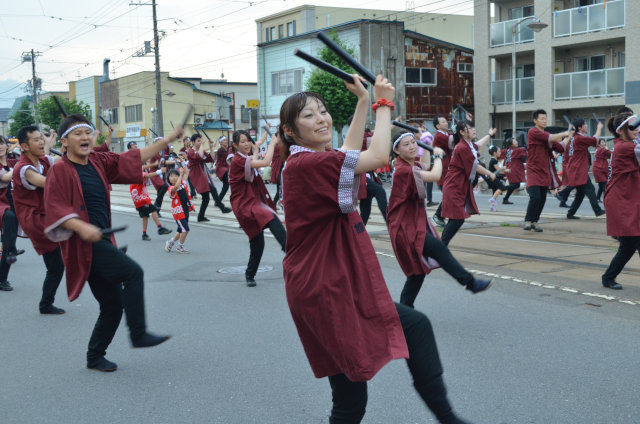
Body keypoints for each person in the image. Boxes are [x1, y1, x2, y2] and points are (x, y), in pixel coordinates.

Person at [278, 75, 474, 424]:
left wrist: (365, 102)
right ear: (291, 131)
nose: (321, 118)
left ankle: (449, 419)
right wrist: (384, 105)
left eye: (322, 111)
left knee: (357, 389)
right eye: (308, 116)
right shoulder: (309, 164)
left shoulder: (312, 160)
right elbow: (377, 155)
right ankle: (450, 419)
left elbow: (350, 153)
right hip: (324, 285)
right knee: (354, 392)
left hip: (328, 281)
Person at [43, 113, 177, 372]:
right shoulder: (59, 170)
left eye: (87, 132)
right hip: (85, 245)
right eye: (77, 134)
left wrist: (167, 140)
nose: (85, 137)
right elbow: (55, 209)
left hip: (102, 241)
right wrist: (81, 226)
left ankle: (94, 356)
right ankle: (138, 333)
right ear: (64, 142)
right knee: (133, 272)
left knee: (113, 305)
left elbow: (134, 158)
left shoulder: (98, 161)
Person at [388, 132, 492, 308]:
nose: (412, 146)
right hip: (404, 228)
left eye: (413, 142)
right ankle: (470, 283)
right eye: (406, 145)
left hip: (411, 224)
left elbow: (426, 165)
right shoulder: (404, 171)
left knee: (416, 273)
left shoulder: (411, 165)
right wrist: (437, 155)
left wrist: (427, 146)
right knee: (438, 249)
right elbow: (435, 175)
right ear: (396, 151)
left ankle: (405, 310)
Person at [13, 126, 66, 313]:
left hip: (48, 217)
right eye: (36, 140)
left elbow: (60, 160)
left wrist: (69, 146)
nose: (41, 142)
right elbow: (47, 182)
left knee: (57, 266)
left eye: (41, 138)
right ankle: (46, 304)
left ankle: (46, 303)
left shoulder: (42, 161)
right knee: (58, 263)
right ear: (24, 146)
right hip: (37, 222)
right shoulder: (24, 168)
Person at [229, 130, 286, 287]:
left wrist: (256, 149)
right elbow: (265, 162)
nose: (246, 143)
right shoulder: (237, 161)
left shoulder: (244, 158)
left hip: (252, 201)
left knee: (257, 242)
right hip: (245, 204)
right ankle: (293, 254)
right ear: (235, 145)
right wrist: (273, 143)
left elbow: (253, 160)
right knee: (272, 220)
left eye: (248, 140)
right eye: (242, 141)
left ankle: (249, 274)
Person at [600, 111, 640, 290]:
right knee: (629, 244)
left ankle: (608, 277)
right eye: (634, 126)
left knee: (633, 243)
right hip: (621, 200)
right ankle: (608, 278)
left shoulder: (626, 144)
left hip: (627, 197)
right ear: (622, 130)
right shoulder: (626, 147)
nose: (637, 130)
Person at [440, 120, 496, 246]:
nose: (473, 130)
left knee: (455, 218)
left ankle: (441, 247)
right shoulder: (462, 147)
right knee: (458, 218)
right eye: (469, 128)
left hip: (458, 186)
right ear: (462, 132)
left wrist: (489, 134)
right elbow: (475, 167)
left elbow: (478, 144)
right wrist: (490, 173)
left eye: (473, 127)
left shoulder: (468, 145)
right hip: (454, 186)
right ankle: (441, 247)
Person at [523, 110, 572, 232]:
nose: (544, 120)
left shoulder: (547, 135)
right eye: (542, 118)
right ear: (535, 120)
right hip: (534, 170)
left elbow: (560, 147)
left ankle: (535, 221)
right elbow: (551, 138)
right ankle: (528, 220)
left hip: (545, 171)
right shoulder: (533, 132)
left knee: (542, 198)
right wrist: (565, 132)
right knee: (535, 197)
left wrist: (569, 135)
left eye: (545, 118)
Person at [564, 118, 606, 219]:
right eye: (585, 124)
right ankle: (597, 210)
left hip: (575, 167)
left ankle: (570, 213)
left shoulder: (574, 137)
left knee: (580, 194)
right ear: (580, 127)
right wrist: (599, 127)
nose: (587, 125)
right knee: (590, 188)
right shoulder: (579, 138)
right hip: (578, 169)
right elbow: (595, 140)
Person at [188, 133, 231, 221]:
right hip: (196, 175)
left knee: (206, 198)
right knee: (212, 190)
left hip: (202, 174)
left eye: (201, 140)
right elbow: (198, 156)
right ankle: (222, 207)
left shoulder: (201, 150)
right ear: (193, 142)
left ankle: (201, 217)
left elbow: (211, 158)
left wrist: (211, 147)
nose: (200, 142)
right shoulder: (190, 151)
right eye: (198, 141)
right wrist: (203, 145)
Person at [128, 168, 172, 241]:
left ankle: (144, 234)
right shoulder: (138, 174)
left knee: (145, 217)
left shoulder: (132, 179)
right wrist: (159, 171)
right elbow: (147, 175)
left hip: (138, 203)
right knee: (154, 210)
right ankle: (160, 227)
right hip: (143, 201)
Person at [0, 135, 19, 292]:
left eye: (1, 144)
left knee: (8, 246)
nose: (0, 147)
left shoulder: (13, 162)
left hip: (13, 205)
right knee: (9, 217)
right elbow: (5, 177)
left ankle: (2, 279)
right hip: (1, 207)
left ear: (6, 146)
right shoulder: (16, 165)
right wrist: (21, 167)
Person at [165, 167, 194, 254]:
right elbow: (176, 187)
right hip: (178, 212)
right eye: (171, 176)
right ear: (168, 179)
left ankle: (171, 242)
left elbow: (187, 173)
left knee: (181, 230)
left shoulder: (183, 184)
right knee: (185, 229)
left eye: (175, 176)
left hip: (185, 210)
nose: (173, 177)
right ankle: (180, 246)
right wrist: (180, 174)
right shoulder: (170, 188)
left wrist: (183, 163)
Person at [431, 116, 453, 226]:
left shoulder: (446, 134)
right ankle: (438, 216)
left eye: (446, 121)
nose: (446, 123)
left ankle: (440, 216)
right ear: (438, 126)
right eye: (443, 122)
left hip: (447, 170)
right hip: (442, 170)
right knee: (449, 194)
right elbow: (453, 141)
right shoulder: (439, 136)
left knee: (449, 195)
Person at [485, 145, 510, 211]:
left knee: (495, 192)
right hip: (492, 178)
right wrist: (506, 170)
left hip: (493, 178)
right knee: (502, 188)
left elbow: (496, 172)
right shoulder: (493, 160)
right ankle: (492, 199)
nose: (500, 152)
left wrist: (503, 176)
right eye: (499, 151)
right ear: (494, 153)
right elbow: (499, 171)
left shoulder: (495, 160)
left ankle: (492, 207)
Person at [502, 138, 526, 204]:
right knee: (516, 184)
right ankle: (502, 188)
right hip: (514, 170)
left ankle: (505, 199)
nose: (517, 142)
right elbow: (524, 157)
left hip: (508, 169)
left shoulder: (507, 150)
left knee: (513, 185)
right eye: (515, 141)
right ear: (511, 144)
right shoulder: (518, 150)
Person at [215, 135, 231, 203]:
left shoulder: (227, 149)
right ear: (220, 142)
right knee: (226, 185)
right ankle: (218, 201)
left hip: (226, 168)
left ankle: (218, 201)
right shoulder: (220, 150)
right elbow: (228, 156)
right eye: (224, 140)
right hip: (221, 169)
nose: (226, 141)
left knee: (226, 186)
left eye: (226, 140)